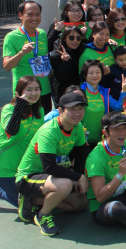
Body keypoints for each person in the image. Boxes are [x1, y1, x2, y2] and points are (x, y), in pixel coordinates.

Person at [14, 92, 89, 236]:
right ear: (60, 111)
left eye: (80, 108)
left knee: (80, 204)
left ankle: (34, 201)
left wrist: (76, 178)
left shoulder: (77, 127)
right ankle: (43, 215)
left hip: (50, 177)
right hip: (28, 177)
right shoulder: (48, 131)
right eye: (72, 109)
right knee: (65, 185)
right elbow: (50, 167)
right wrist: (78, 178)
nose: (77, 113)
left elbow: (80, 154)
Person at [0, 76, 43, 208]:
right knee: (27, 207)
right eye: (29, 90)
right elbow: (11, 131)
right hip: (5, 168)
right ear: (18, 92)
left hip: (25, 168)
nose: (33, 93)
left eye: (37, 89)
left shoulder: (39, 111)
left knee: (39, 201)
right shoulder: (8, 109)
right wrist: (19, 106)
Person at [3, 1, 53, 113]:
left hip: (43, 89)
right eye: (29, 14)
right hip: (25, 91)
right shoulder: (11, 37)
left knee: (43, 125)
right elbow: (7, 66)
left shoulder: (42, 34)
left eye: (37, 14)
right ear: (21, 15)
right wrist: (21, 53)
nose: (34, 18)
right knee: (25, 126)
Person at [79, 59, 126, 146]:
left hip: (100, 141)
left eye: (98, 72)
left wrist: (124, 91)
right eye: (91, 73)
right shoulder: (79, 92)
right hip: (81, 140)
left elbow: (118, 107)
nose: (95, 75)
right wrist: (80, 137)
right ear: (84, 75)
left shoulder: (104, 92)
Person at [49, 26, 84, 107]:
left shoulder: (81, 51)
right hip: (62, 94)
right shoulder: (56, 54)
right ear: (64, 38)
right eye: (71, 37)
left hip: (78, 91)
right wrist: (66, 61)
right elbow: (63, 76)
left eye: (78, 38)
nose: (75, 40)